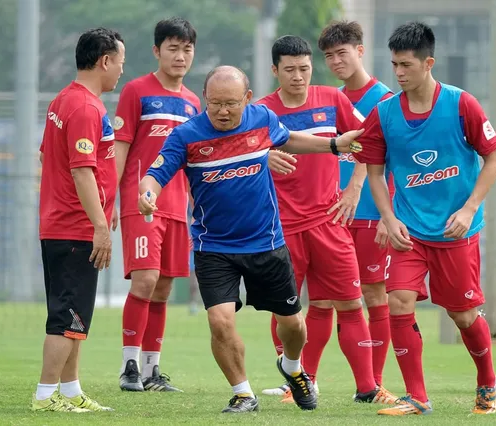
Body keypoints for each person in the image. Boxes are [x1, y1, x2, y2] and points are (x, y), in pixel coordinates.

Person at [138, 65, 364, 413]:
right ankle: (243, 392)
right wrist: (147, 193)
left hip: (266, 243)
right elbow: (156, 172)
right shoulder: (186, 136)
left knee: (293, 325)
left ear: (246, 99)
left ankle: (291, 366)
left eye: (231, 103)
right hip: (214, 248)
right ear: (204, 100)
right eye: (214, 104)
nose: (223, 111)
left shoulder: (261, 118)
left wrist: (333, 144)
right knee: (220, 321)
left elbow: (289, 139)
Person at [352, 22, 496, 415]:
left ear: (428, 63)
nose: (399, 73)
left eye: (406, 65)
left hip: (455, 231)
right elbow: (374, 172)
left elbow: (494, 157)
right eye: (394, 65)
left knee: (463, 314)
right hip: (409, 230)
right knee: (398, 301)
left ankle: (487, 380)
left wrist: (469, 209)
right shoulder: (384, 113)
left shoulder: (461, 104)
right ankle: (417, 397)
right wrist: (388, 217)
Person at [257, 35, 396, 405]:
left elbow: (368, 141)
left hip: (329, 222)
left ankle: (368, 387)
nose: (299, 76)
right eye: (290, 70)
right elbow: (237, 156)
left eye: (304, 68)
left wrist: (353, 189)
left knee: (351, 303)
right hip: (281, 227)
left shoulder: (332, 99)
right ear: (275, 71)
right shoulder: (261, 112)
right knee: (288, 311)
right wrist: (261, 159)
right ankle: (298, 383)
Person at [33, 27, 124, 412]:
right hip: (74, 229)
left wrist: (108, 203)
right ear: (104, 61)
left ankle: (70, 391)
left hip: (61, 224)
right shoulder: (86, 108)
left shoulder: (62, 101)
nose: (121, 70)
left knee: (76, 316)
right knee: (66, 315)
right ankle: (44, 396)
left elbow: (46, 157)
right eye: (120, 62)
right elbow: (82, 170)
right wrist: (100, 225)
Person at [113, 17, 200, 393]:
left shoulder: (195, 102)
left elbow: (196, 160)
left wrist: (199, 207)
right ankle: (128, 365)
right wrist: (110, 201)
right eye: (172, 48)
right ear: (157, 51)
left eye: (187, 49)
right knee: (145, 280)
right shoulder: (136, 91)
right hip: (141, 203)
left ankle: (151, 371)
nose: (180, 56)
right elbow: (119, 149)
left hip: (177, 209)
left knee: (163, 288)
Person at [318, 20, 395, 390]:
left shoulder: (385, 99)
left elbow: (390, 160)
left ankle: (374, 382)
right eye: (329, 56)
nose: (336, 61)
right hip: (332, 215)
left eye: (342, 52)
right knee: (322, 298)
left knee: (373, 292)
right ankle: (303, 381)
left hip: (368, 212)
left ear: (360, 51)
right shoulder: (330, 100)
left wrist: (387, 214)